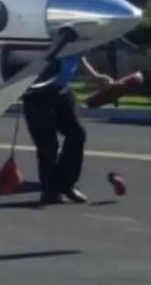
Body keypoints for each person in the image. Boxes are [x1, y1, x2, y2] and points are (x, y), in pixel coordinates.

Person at [20, 50, 114, 204]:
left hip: (62, 90)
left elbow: (79, 52)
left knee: (77, 134)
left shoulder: (76, 32)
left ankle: (66, 185)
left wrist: (95, 76)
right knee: (47, 145)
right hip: (37, 93)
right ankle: (49, 191)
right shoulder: (50, 31)